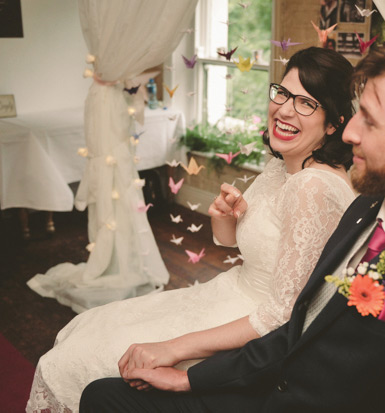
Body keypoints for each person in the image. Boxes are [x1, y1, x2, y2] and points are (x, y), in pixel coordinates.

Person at [81, 30, 385, 412]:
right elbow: (300, 325)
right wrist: (190, 378)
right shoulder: (366, 210)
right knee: (104, 397)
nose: (348, 132)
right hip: (265, 389)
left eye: (368, 122)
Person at [25, 46, 356, 413]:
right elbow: (231, 242)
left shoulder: (313, 188)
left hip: (252, 329)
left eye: (307, 103)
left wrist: (173, 348)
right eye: (283, 93)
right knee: (90, 326)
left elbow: (283, 314)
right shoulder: (284, 166)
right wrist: (225, 215)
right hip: (227, 292)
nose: (286, 109)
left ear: (333, 123)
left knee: (84, 357)